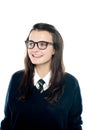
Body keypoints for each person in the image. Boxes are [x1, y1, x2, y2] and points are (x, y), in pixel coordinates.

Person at [1, 23, 83, 130]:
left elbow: (74, 125)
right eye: (31, 43)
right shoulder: (17, 79)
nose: (34, 49)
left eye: (42, 44)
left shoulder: (70, 83)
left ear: (54, 49)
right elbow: (7, 121)